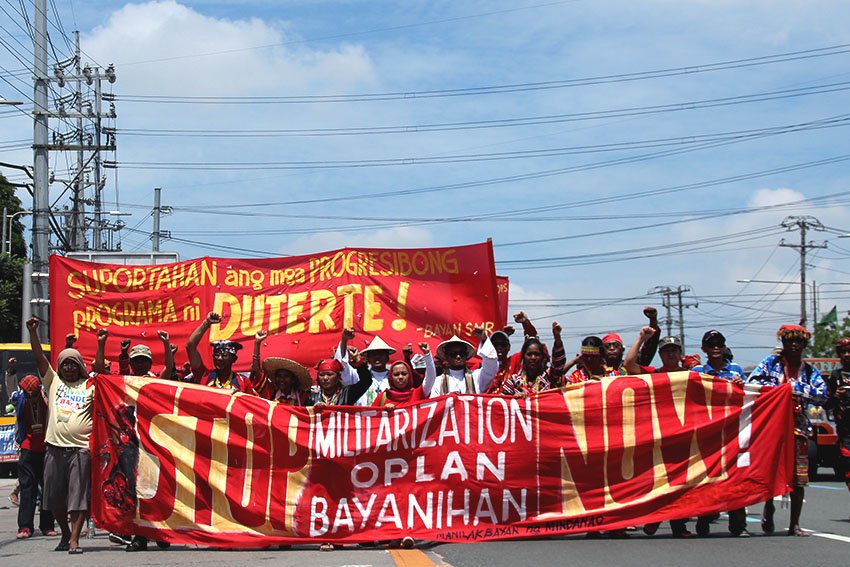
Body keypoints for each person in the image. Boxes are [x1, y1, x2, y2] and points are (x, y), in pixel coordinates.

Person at [748, 324, 827, 536]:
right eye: (789, 341)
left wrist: (794, 390)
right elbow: (753, 383)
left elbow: (822, 394)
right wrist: (781, 390)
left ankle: (795, 524)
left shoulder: (809, 371)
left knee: (799, 477)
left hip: (799, 428)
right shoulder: (770, 364)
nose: (793, 345)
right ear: (782, 343)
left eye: (798, 341)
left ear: (803, 345)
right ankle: (769, 507)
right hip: (772, 427)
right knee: (770, 471)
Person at [27, 317, 93, 554]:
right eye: (64, 364)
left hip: (81, 450)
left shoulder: (91, 386)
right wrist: (33, 333)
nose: (68, 368)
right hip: (54, 449)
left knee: (78, 499)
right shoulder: (53, 382)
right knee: (53, 500)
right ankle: (65, 534)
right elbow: (39, 358)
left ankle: (74, 539)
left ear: (80, 367)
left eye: (73, 364)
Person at [690, 330, 748, 537]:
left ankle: (738, 525)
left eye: (719, 344)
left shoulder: (735, 370)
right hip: (707, 434)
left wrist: (741, 387)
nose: (715, 347)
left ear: (724, 347)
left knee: (735, 477)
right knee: (708, 478)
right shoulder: (697, 371)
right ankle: (704, 520)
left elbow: (747, 396)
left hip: (732, 432)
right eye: (711, 344)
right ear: (703, 349)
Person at [9, 375, 56, 539]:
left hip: (46, 449)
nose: (30, 397)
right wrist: (10, 372)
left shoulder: (46, 399)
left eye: (33, 394)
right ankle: (25, 527)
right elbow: (10, 388)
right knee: (27, 489)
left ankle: (47, 525)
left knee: (47, 490)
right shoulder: (20, 400)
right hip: (27, 449)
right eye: (28, 394)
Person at [186, 312, 255, 393]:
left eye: (224, 355)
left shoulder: (243, 381)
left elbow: (249, 403)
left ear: (234, 359)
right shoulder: (204, 375)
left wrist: (238, 398)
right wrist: (206, 323)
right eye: (216, 355)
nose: (219, 358)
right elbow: (190, 346)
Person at [500, 322, 566, 396]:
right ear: (523, 357)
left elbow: (559, 362)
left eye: (537, 354)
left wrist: (557, 337)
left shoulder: (550, 377)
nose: (533, 358)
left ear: (543, 357)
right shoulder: (513, 381)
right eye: (529, 354)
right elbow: (502, 402)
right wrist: (515, 398)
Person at [334, 330, 396, 406]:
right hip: (364, 417)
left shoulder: (395, 378)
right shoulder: (358, 377)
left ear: (387, 357)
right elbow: (342, 366)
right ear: (368, 358)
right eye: (373, 354)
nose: (377, 357)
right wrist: (344, 340)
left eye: (381, 354)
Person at [251, 330, 312, 405]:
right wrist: (257, 343)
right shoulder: (270, 391)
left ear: (293, 379)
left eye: (286, 376)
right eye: (279, 376)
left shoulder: (302, 396)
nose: (281, 379)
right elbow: (256, 369)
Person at [428, 332, 498, 397]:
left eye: (461, 353)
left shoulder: (477, 377)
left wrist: (484, 338)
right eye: (453, 354)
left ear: (466, 355)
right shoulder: (437, 381)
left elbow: (491, 365)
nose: (458, 356)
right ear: (447, 356)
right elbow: (435, 405)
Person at [825, 337, 850, 518]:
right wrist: (835, 396)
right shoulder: (835, 376)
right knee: (848, 467)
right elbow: (826, 404)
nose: (847, 355)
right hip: (845, 430)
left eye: (849, 351)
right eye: (843, 352)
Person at [372, 343, 436, 408]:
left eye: (404, 374)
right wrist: (383, 410)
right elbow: (371, 415)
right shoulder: (382, 397)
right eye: (396, 374)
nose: (400, 377)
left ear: (410, 376)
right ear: (391, 377)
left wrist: (427, 355)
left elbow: (430, 378)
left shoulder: (418, 394)